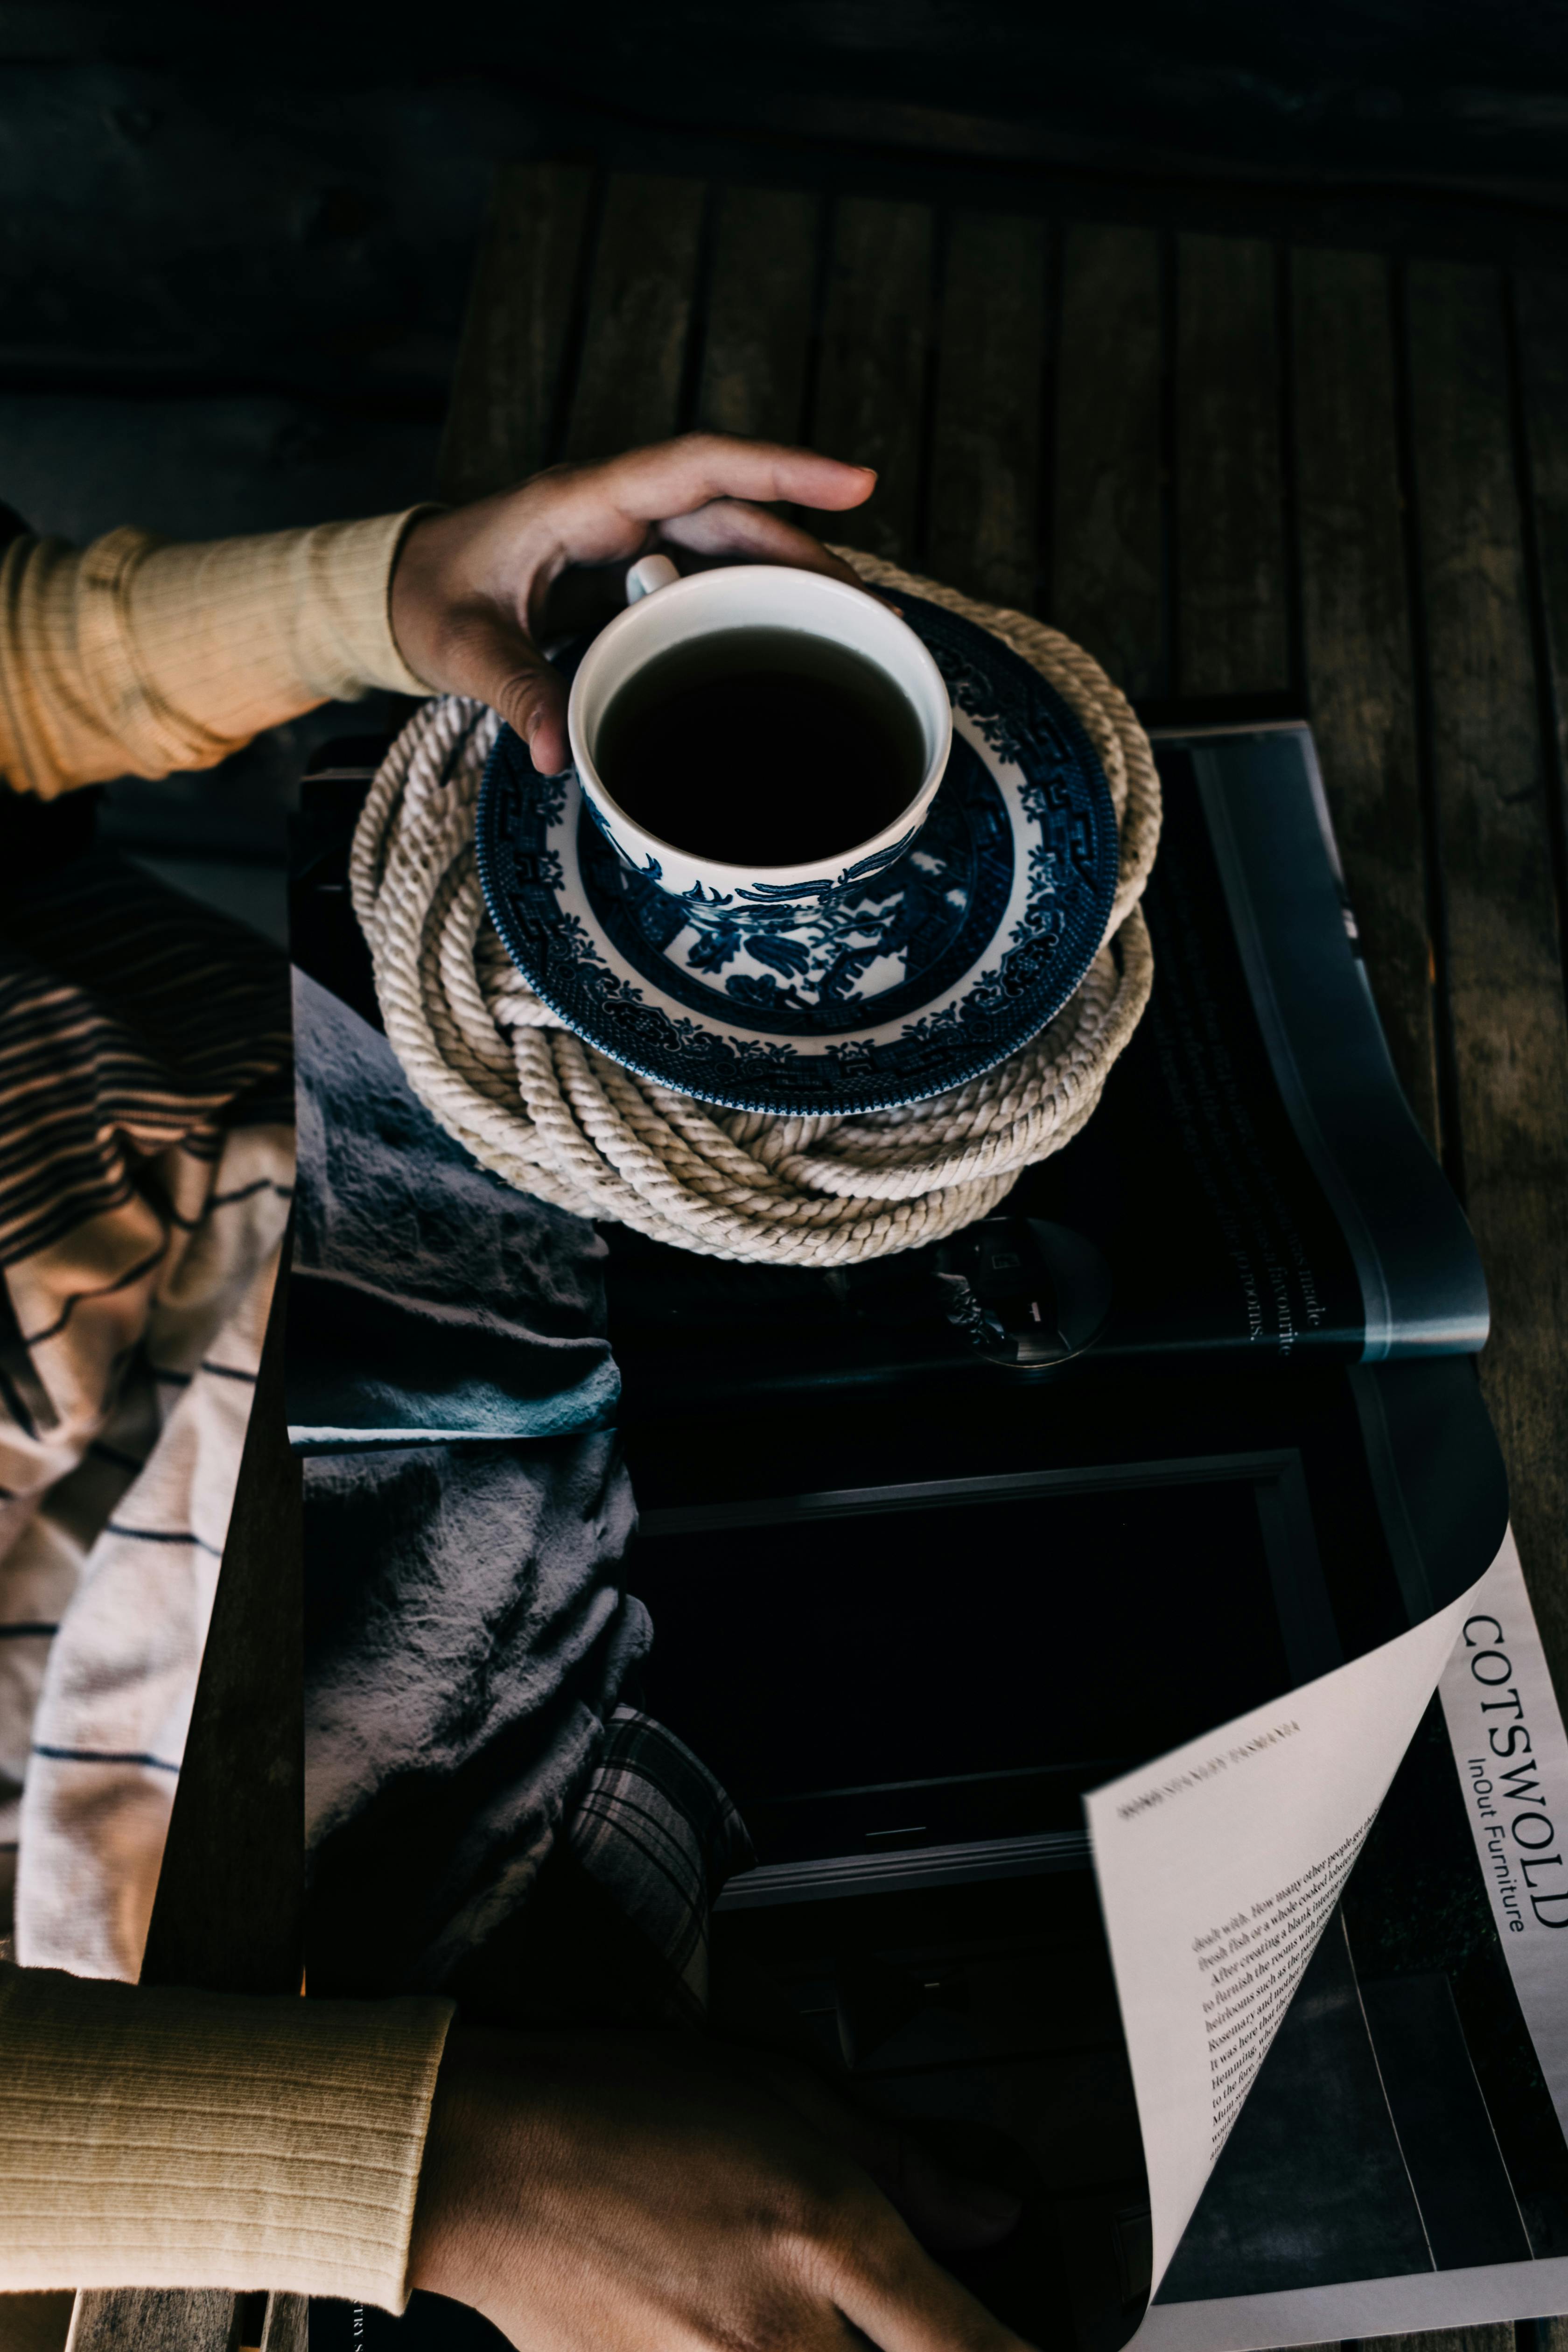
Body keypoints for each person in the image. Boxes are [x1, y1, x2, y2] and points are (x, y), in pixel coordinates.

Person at [0, 435, 1029, 2349]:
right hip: (152, 1886)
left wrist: (365, 595)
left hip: (321, 1168)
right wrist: (423, 2166)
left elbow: (17, 657)